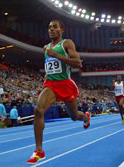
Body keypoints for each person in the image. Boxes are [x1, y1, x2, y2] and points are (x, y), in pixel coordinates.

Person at [27, 20, 90, 164]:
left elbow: (78, 62)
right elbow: (50, 66)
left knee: (74, 116)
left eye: (54, 27)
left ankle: (85, 117)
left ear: (61, 30)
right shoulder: (46, 48)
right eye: (49, 28)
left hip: (65, 84)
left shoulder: (67, 43)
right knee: (38, 110)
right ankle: (39, 150)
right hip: (51, 84)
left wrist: (58, 56)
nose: (51, 30)